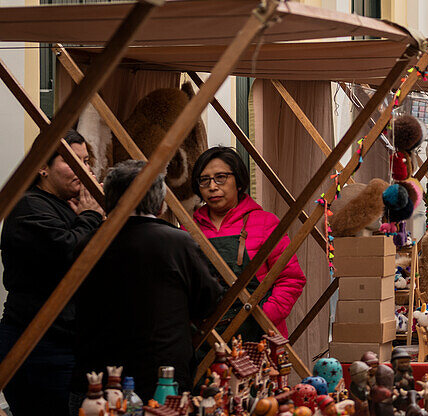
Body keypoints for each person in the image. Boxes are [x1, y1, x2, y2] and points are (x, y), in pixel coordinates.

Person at [73, 160, 224, 402]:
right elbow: (208, 301)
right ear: (161, 202)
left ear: (108, 199)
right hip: (163, 381)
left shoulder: (87, 243)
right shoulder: (177, 243)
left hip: (97, 382)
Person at [0, 129, 103, 416]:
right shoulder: (29, 207)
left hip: (65, 343)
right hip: (37, 346)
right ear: (42, 167)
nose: (84, 170)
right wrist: (89, 217)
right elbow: (68, 252)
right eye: (73, 161)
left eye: (86, 162)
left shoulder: (61, 206)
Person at [192, 147, 306, 338]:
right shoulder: (188, 229)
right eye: (204, 180)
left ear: (238, 181)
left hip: (259, 336)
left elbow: (291, 279)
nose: (212, 186)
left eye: (220, 177)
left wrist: (261, 318)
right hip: (206, 339)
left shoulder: (265, 223)